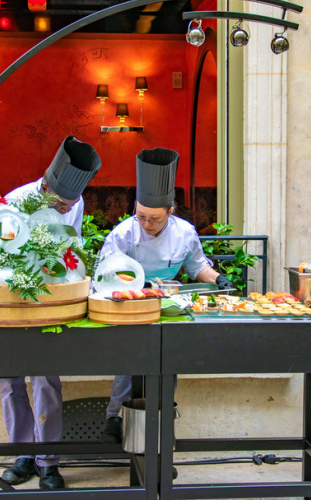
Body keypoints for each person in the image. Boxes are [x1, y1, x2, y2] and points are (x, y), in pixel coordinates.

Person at [97, 147, 233, 443]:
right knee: (129, 361)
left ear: (170, 212)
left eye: (155, 219)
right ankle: (115, 417)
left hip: (167, 302)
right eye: (141, 216)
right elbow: (105, 275)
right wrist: (136, 288)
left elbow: (197, 266)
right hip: (130, 301)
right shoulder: (123, 234)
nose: (146, 224)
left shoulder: (184, 232)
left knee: (166, 361)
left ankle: (162, 426)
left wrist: (218, 278)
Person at [0, 136, 102, 490]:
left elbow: (71, 246)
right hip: (12, 301)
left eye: (70, 204)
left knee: (46, 379)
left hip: (49, 301)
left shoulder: (76, 203)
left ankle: (49, 460)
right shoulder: (13, 202)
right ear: (44, 187)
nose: (66, 209)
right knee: (11, 380)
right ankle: (22, 455)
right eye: (60, 203)